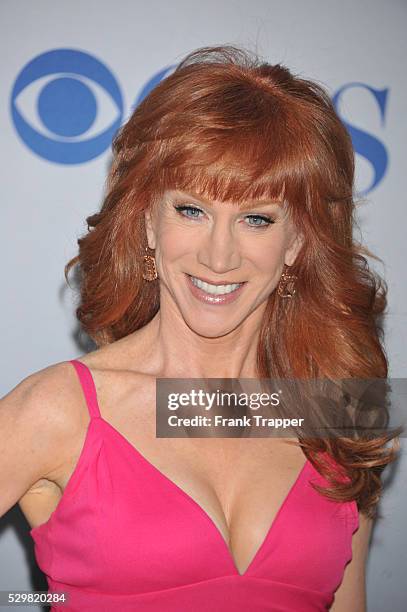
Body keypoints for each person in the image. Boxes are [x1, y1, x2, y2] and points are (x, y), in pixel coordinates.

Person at [0, 45, 401, 611]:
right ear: (146, 220)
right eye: (191, 210)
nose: (218, 256)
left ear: (299, 243)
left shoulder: (338, 410)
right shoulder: (59, 408)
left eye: (257, 219)